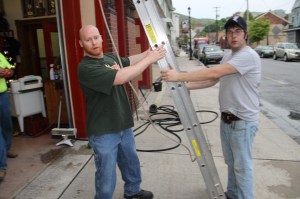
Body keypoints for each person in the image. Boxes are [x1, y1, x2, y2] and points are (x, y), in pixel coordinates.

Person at [161, 16, 261, 199]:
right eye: (230, 32)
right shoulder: (229, 55)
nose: (233, 35)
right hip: (227, 120)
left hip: (243, 122)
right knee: (231, 163)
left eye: (238, 31)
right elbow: (212, 79)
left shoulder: (248, 56)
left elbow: (214, 71)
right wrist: (185, 86)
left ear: (246, 35)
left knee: (242, 167)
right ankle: (232, 194)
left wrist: (178, 76)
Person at [77, 25, 166, 199]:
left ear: (102, 38)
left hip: (123, 123)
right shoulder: (86, 68)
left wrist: (148, 52)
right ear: (81, 43)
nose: (94, 42)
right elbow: (120, 77)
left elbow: (129, 60)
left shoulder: (110, 58)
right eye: (88, 40)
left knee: (130, 162)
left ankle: (133, 191)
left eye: (96, 37)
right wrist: (150, 60)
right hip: (103, 130)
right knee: (106, 175)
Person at [0, 52, 18, 183]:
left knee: (7, 125)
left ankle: (6, 148)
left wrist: (6, 72)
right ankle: (2, 166)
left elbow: (11, 71)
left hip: (3, 96)